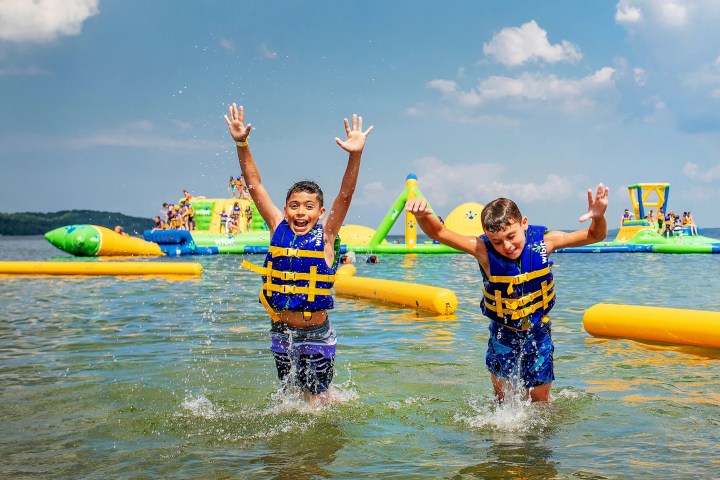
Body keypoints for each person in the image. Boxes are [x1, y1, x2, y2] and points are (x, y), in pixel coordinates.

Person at [224, 102, 373, 405]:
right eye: (294, 205)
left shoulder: (327, 236)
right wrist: (242, 143)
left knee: (313, 404)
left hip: (316, 332)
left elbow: (346, 195)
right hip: (281, 330)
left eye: (308, 206)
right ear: (285, 209)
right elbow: (254, 185)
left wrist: (355, 154)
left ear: (320, 212)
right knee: (291, 398)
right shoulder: (277, 226)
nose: (301, 212)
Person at [405, 184, 609, 403]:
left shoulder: (546, 242)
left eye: (512, 236)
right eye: (497, 242)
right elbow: (439, 232)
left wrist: (598, 217)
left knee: (541, 401)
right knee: (502, 401)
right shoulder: (483, 251)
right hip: (503, 335)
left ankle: (544, 437)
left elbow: (594, 235)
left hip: (538, 333)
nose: (507, 246)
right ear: (487, 237)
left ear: (524, 223)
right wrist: (424, 215)